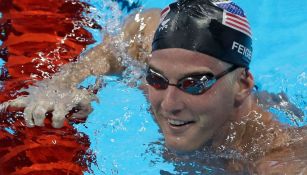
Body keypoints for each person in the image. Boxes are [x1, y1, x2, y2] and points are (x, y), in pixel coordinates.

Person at [4, 0, 306, 173]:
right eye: (156, 78)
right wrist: (61, 85)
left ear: (243, 84)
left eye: (195, 84)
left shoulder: (275, 157)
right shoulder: (151, 44)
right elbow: (127, 37)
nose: (168, 103)